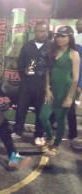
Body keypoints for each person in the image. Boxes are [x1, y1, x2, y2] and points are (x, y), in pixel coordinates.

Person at [39, 26, 80, 157]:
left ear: (70, 38)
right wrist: (47, 88)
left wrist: (70, 97)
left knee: (60, 119)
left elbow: (75, 78)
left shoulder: (74, 54)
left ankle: (55, 145)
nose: (60, 39)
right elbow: (47, 72)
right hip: (52, 91)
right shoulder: (53, 52)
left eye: (63, 36)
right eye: (58, 36)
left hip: (65, 91)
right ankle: (50, 138)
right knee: (43, 117)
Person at [11, 21, 51, 146]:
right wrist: (24, 70)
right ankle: (18, 131)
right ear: (34, 32)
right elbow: (20, 62)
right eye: (37, 31)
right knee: (21, 108)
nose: (40, 33)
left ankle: (39, 134)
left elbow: (52, 67)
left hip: (42, 85)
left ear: (47, 31)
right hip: (26, 83)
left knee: (40, 111)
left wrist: (49, 86)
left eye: (42, 31)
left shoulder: (51, 47)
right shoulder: (27, 45)